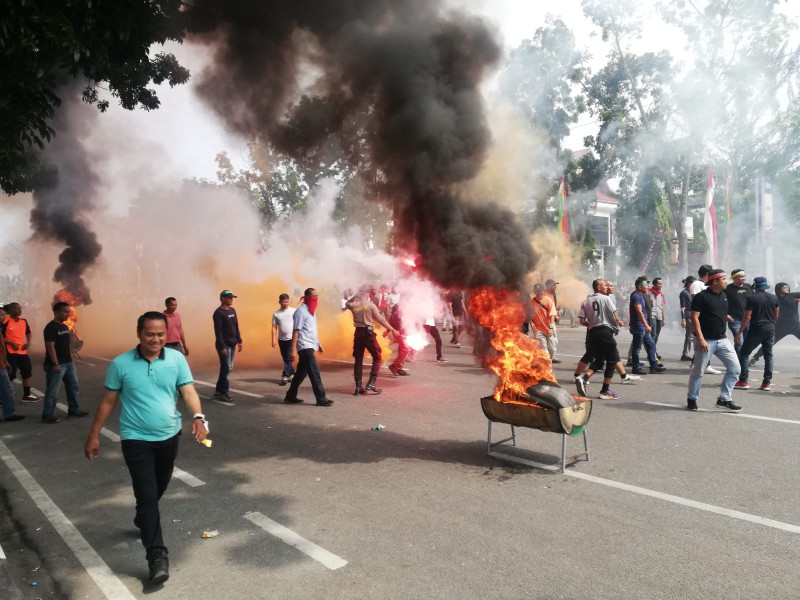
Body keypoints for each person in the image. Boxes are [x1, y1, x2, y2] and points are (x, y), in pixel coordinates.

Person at [84, 311, 207, 585]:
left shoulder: (176, 359)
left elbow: (188, 390)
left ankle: (143, 517)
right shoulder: (121, 364)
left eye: (161, 334)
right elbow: (107, 402)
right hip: (135, 438)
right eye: (150, 334)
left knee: (159, 487)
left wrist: (199, 417)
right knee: (148, 494)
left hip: (168, 436)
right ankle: (156, 555)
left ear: (167, 334)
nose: (156, 339)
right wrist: (93, 436)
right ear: (139, 334)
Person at [686, 269, 742, 411]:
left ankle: (724, 399)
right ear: (715, 281)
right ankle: (692, 398)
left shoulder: (723, 296)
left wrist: (725, 316)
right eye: (724, 279)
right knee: (698, 372)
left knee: (735, 369)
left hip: (722, 340)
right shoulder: (701, 297)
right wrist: (701, 339)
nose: (726, 282)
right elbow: (694, 318)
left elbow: (714, 312)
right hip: (706, 341)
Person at [574, 279, 640, 399]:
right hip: (605, 332)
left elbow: (582, 320)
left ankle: (583, 379)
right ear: (598, 287)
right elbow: (614, 314)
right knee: (612, 361)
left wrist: (591, 324)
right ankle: (604, 391)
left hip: (593, 333)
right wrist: (619, 322)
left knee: (599, 361)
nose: (607, 287)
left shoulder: (585, 301)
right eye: (604, 285)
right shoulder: (606, 299)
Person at [345, 287, 398, 395]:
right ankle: (371, 383)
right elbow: (380, 319)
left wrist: (355, 296)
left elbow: (347, 303)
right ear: (367, 295)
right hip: (368, 334)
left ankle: (358, 387)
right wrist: (392, 329)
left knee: (358, 360)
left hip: (358, 334)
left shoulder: (354, 305)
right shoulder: (370, 305)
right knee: (377, 356)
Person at [283, 288, 332, 406]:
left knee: (301, 373)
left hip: (311, 344)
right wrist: (293, 350)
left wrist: (318, 343)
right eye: (314, 296)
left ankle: (290, 396)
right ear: (308, 297)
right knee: (314, 372)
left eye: (317, 296)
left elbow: (312, 329)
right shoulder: (301, 312)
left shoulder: (311, 311)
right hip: (304, 346)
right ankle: (321, 398)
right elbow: (295, 331)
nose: (316, 298)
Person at [42, 302, 88, 423]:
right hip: (57, 364)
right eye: (65, 312)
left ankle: (74, 410)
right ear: (56, 312)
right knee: (52, 390)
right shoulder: (50, 328)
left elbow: (67, 344)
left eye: (68, 312)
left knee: (73, 386)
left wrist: (70, 357)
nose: (67, 314)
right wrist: (55, 363)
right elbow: (50, 347)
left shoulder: (65, 327)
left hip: (68, 363)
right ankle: (47, 414)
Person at [734, 277, 778, 391]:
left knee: (744, 353)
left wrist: (739, 333)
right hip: (770, 328)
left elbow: (747, 316)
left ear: (755, 286)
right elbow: (776, 316)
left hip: (756, 329)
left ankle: (743, 380)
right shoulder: (774, 298)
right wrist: (770, 324)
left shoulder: (752, 298)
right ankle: (766, 383)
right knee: (768, 356)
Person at [750, 282, 800, 366]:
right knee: (769, 343)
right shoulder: (774, 298)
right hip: (780, 327)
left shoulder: (794, 296)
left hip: (795, 326)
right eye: (784, 287)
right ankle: (755, 358)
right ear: (779, 289)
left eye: (787, 286)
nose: (787, 288)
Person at [2, 302, 40, 402]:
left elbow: (28, 332)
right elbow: (1, 337)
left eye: (20, 308)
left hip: (21, 351)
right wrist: (11, 343)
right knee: (10, 374)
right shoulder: (5, 321)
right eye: (16, 309)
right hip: (9, 351)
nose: (19, 310)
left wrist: (28, 343)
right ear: (10, 311)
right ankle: (2, 396)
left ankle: (27, 395)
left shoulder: (23, 321)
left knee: (27, 371)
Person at [629, 277, 666, 375]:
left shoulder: (641, 295)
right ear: (639, 287)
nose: (648, 286)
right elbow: (639, 312)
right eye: (646, 285)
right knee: (637, 348)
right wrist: (646, 325)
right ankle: (635, 367)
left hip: (642, 326)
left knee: (651, 344)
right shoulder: (636, 296)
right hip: (639, 325)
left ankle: (653, 366)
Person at [690, 264, 721, 374]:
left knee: (705, 342)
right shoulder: (697, 284)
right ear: (707, 274)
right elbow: (696, 300)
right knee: (702, 341)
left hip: (709, 317)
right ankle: (704, 365)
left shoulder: (704, 284)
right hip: (702, 317)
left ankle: (698, 363)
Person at [212, 290, 242, 403]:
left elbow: (236, 326)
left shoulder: (232, 310)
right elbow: (218, 331)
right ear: (223, 298)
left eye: (232, 297)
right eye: (229, 297)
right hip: (224, 345)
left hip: (232, 343)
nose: (231, 299)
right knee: (226, 368)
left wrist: (239, 340)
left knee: (227, 368)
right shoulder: (218, 313)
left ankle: (219, 390)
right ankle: (224, 392)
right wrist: (221, 346)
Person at [724, 269, 752, 359]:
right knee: (739, 341)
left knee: (747, 341)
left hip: (748, 319)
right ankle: (741, 362)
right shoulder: (727, 289)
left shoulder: (749, 287)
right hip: (735, 319)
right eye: (741, 276)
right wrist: (725, 315)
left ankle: (742, 359)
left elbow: (754, 301)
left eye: (744, 276)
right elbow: (722, 303)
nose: (743, 278)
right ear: (734, 278)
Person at [0, 327, 26, 423]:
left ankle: (9, 413)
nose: (4, 316)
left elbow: (1, 348)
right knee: (7, 390)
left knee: (5, 391)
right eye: (2, 315)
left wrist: (5, 361)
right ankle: (9, 414)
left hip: (1, 363)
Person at [272, 293, 296, 385]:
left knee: (287, 358)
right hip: (281, 340)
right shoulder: (276, 314)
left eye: (287, 302)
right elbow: (274, 327)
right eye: (283, 302)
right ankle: (292, 374)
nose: (285, 304)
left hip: (291, 339)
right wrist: (273, 339)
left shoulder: (294, 311)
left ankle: (285, 376)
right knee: (286, 358)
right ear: (279, 302)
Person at [529, 283, 558, 360]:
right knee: (544, 351)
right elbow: (529, 315)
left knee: (552, 350)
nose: (539, 293)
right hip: (539, 330)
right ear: (534, 291)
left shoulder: (548, 300)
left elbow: (552, 315)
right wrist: (531, 323)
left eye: (540, 291)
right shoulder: (531, 302)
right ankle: (548, 369)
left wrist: (551, 328)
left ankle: (548, 362)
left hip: (550, 329)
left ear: (543, 291)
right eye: (537, 291)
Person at [543, 279, 561, 363]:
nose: (555, 287)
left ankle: (551, 356)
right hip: (546, 322)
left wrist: (557, 313)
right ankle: (547, 357)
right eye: (553, 285)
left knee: (554, 341)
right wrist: (555, 315)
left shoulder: (552, 295)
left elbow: (552, 307)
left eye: (555, 285)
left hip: (551, 321)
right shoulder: (544, 296)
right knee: (550, 341)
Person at [647, 278, 666, 356]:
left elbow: (662, 306)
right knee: (653, 334)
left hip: (659, 316)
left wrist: (664, 318)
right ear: (654, 284)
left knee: (657, 335)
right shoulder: (648, 293)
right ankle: (652, 353)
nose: (661, 285)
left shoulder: (661, 293)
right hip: (652, 316)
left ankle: (653, 349)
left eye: (661, 284)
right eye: (659, 284)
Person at [679, 276, 695, 361]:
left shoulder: (692, 292)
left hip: (694, 316)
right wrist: (683, 318)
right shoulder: (684, 293)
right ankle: (685, 354)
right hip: (688, 316)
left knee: (692, 336)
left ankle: (687, 353)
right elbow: (683, 307)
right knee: (689, 336)